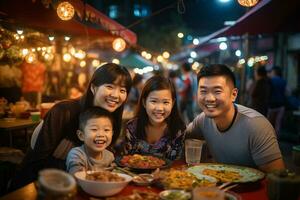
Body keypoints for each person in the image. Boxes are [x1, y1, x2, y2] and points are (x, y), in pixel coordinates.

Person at [10, 63, 132, 189]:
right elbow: (37, 161)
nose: (116, 95)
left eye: (122, 90)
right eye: (110, 87)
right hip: (39, 186)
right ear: (93, 87)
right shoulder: (64, 112)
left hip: (85, 188)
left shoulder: (112, 120)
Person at [186, 64, 285, 172]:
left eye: (217, 91)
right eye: (203, 91)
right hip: (222, 186)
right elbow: (181, 135)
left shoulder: (256, 125)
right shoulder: (203, 120)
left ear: (233, 94)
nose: (209, 98)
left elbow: (277, 177)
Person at [123, 75, 186, 160]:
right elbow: (128, 160)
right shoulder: (132, 127)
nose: (159, 108)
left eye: (165, 102)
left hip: (168, 172)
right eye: (154, 101)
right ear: (144, 102)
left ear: (173, 103)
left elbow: (176, 162)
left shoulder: (178, 128)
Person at [66, 107, 115, 174]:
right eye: (94, 129)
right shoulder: (76, 154)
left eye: (106, 130)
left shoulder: (110, 156)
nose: (101, 134)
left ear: (112, 134)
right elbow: (77, 176)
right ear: (81, 135)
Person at [267, 66, 287, 136]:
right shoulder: (283, 81)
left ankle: (268, 138)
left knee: (269, 123)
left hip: (272, 104)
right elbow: (285, 93)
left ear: (274, 72)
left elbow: (268, 92)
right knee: (278, 124)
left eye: (271, 72)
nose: (270, 73)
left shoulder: (271, 80)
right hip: (281, 104)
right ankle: (276, 139)